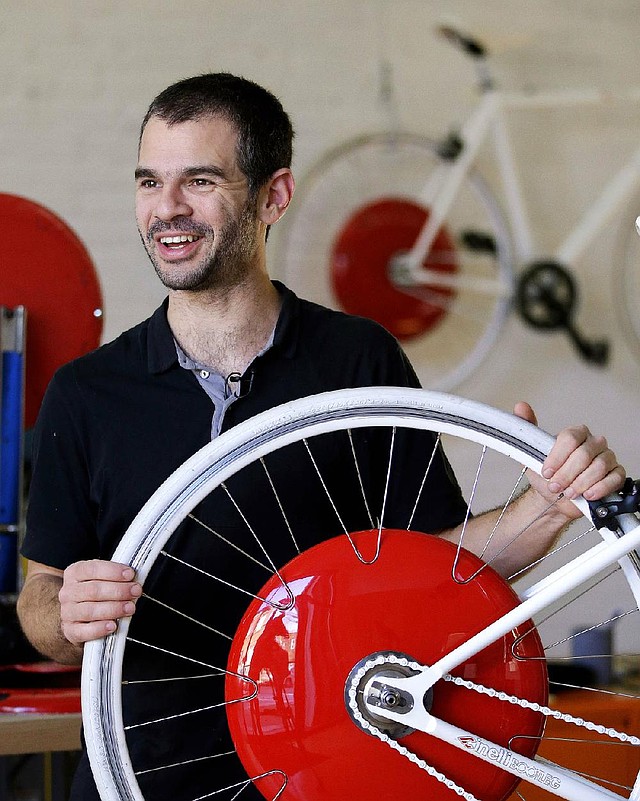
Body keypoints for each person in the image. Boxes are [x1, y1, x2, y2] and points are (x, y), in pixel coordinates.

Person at [16, 73, 624, 801]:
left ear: (274, 195)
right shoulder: (87, 393)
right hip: (143, 774)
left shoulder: (357, 362)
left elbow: (443, 569)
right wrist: (66, 610)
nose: (165, 208)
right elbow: (39, 602)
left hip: (335, 771)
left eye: (199, 180)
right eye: (150, 182)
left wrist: (547, 506)